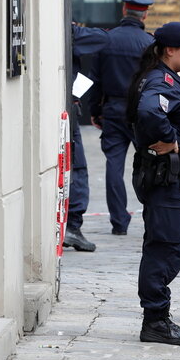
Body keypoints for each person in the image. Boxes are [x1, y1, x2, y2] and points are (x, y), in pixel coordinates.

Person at [126, 22, 180, 345]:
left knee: (166, 245)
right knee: (164, 248)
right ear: (170, 50)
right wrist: (170, 141)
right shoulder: (159, 80)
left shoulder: (164, 78)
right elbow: (148, 112)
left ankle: (158, 316)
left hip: (170, 174)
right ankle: (155, 320)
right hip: (165, 175)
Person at [89, 0, 155, 235]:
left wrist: (95, 111)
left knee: (113, 166)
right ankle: (152, 216)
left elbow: (94, 80)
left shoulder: (107, 39)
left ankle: (119, 222)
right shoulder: (149, 43)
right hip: (141, 111)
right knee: (150, 163)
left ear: (124, 11)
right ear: (145, 14)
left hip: (113, 110)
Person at [62, 24, 109, 252]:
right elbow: (101, 38)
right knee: (77, 167)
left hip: (57, 109)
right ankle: (72, 226)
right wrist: (73, 29)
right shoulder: (65, 30)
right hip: (66, 111)